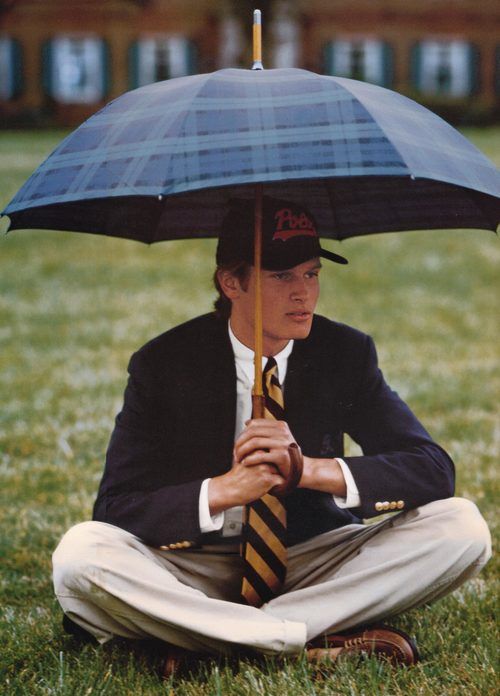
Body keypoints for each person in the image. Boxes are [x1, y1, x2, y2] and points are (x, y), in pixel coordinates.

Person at [52, 197, 491, 675]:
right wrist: (223, 490)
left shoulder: (344, 352)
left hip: (312, 559)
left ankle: (209, 641)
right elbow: (115, 507)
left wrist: (306, 470)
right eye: (282, 276)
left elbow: (431, 468)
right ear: (231, 283)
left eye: (312, 273)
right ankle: (290, 640)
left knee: (462, 528)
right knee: (80, 556)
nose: (304, 293)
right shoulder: (164, 363)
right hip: (194, 564)